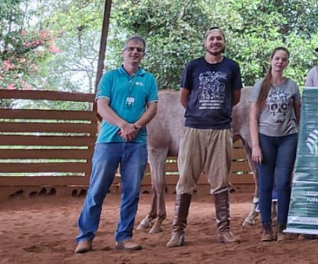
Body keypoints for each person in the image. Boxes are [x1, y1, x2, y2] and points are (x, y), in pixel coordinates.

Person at [74, 36, 159, 253]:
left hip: (137, 143)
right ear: (123, 52)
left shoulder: (148, 79)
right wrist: (123, 125)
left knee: (131, 191)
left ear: (143, 54)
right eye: (130, 49)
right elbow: (102, 107)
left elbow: (152, 108)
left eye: (139, 49)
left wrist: (136, 126)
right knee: (97, 189)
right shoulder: (110, 77)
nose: (134, 52)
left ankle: (124, 236)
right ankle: (85, 236)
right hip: (109, 141)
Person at [167, 27, 243, 247]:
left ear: (224, 42)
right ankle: (178, 231)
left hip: (220, 129)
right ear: (205, 42)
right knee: (186, 179)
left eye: (219, 38)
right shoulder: (193, 66)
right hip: (194, 128)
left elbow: (235, 97)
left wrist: (218, 112)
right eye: (211, 38)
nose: (215, 41)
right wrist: (198, 112)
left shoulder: (232, 67)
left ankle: (224, 230)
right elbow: (184, 97)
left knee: (220, 181)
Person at [248, 47, 301, 242]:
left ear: (287, 63)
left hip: (288, 137)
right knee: (265, 182)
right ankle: (266, 228)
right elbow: (253, 118)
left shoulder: (292, 86)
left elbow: (298, 115)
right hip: (265, 137)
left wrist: (300, 137)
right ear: (270, 60)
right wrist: (255, 145)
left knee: (283, 182)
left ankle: (282, 226)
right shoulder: (260, 86)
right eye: (277, 58)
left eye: (284, 59)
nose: (280, 62)